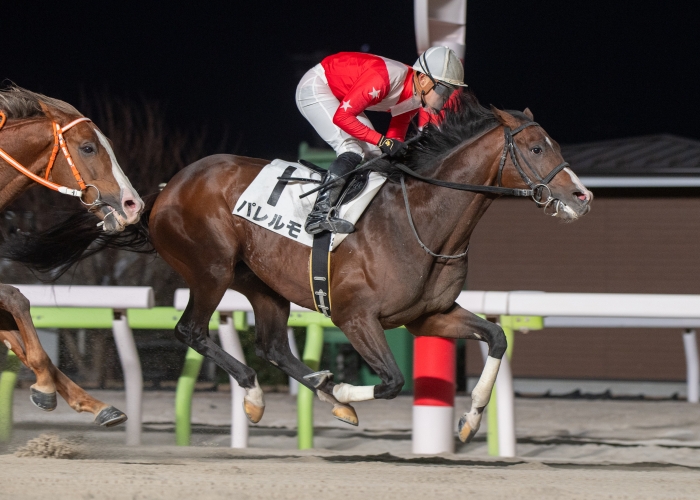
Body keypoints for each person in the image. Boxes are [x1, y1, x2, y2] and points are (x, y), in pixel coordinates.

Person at [296, 46, 468, 235]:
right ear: (423, 79)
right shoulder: (384, 78)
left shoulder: (416, 95)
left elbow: (396, 131)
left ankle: (361, 209)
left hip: (338, 97)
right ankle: (318, 214)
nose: (445, 97)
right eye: (443, 88)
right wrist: (384, 142)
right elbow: (342, 117)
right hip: (316, 87)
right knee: (351, 149)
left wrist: (393, 151)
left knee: (376, 155)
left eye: (450, 91)